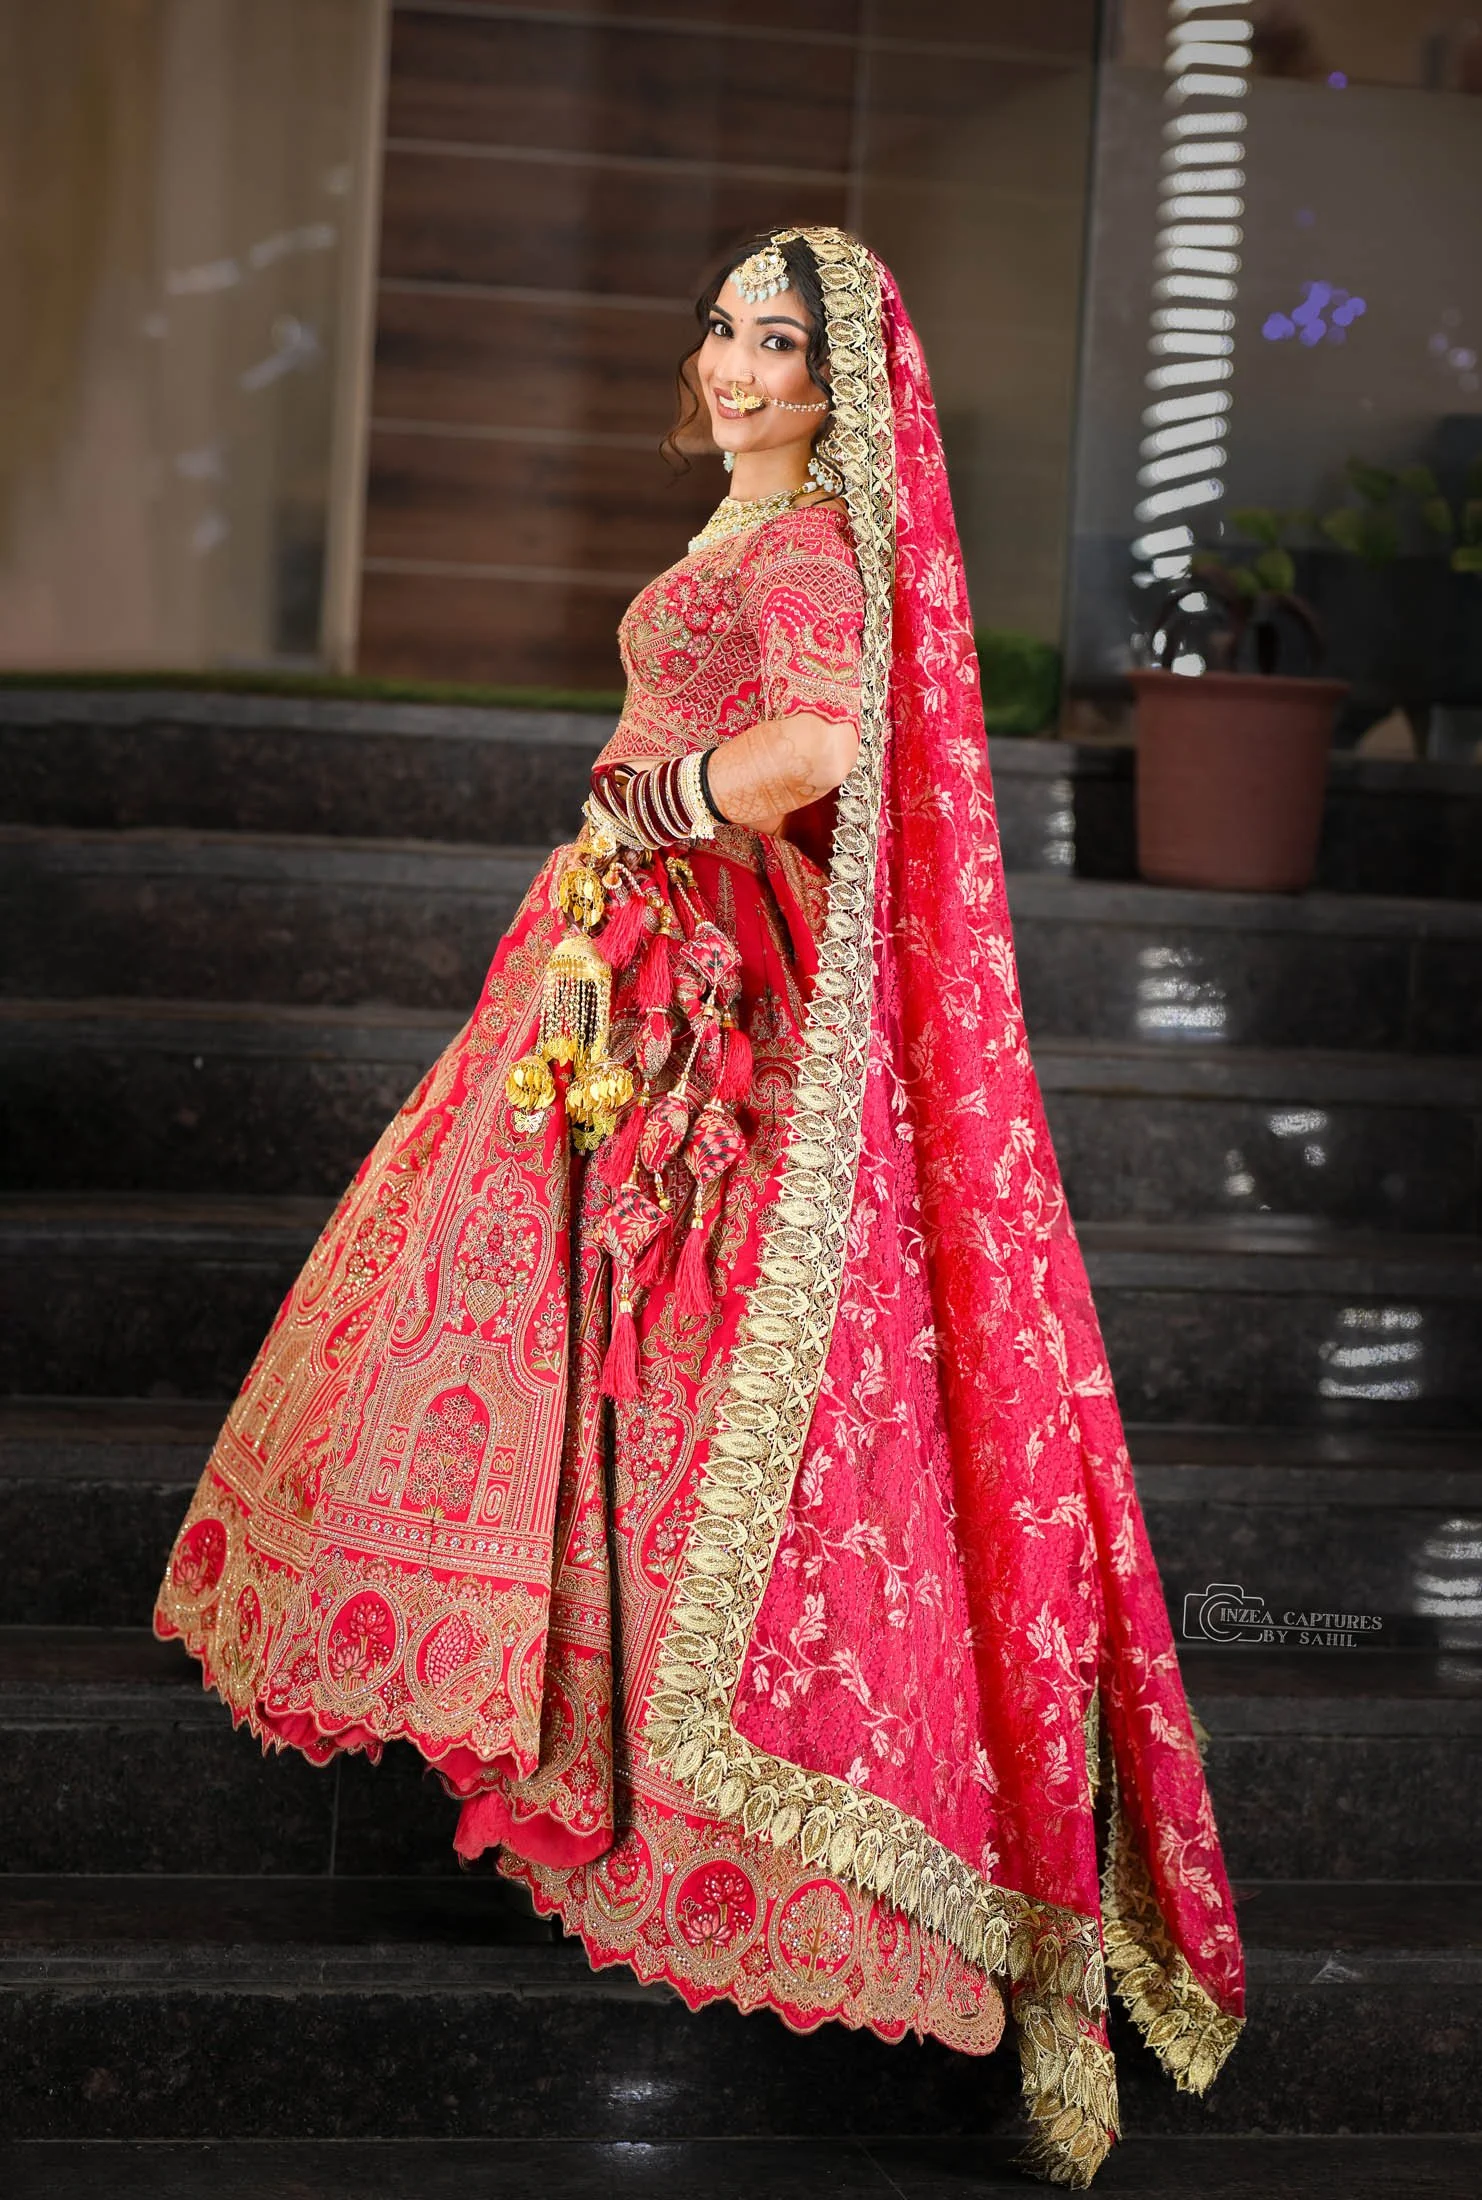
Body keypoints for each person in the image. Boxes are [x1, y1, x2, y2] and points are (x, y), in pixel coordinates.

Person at [155, 227, 1243, 2186]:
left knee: (687, 1355)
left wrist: (645, 811)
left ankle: (693, 1780)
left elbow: (824, 744)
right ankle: (573, 1712)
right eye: (725, 325)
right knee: (600, 1341)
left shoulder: (811, 546)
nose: (739, 362)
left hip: (698, 983)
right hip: (621, 958)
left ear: (844, 387)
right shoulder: (753, 526)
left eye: (781, 341)